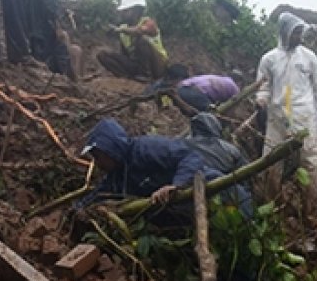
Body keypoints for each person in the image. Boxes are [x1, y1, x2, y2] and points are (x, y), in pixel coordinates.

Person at [256, 13, 317, 221]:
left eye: (300, 33)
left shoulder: (309, 57)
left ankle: (315, 215)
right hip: (278, 117)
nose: (299, 37)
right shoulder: (269, 58)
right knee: (271, 163)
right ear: (285, 33)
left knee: (311, 164)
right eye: (295, 33)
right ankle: (271, 211)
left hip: (304, 117)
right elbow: (263, 85)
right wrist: (262, 99)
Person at [80, 117, 219, 209]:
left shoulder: (147, 148)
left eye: (99, 157)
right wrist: (75, 210)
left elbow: (191, 157)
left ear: (110, 149)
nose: (97, 163)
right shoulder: (118, 175)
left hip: (217, 192)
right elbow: (99, 194)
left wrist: (176, 185)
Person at [185, 113, 253, 214]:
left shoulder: (183, 146)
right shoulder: (230, 149)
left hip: (192, 197)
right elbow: (246, 177)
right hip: (230, 194)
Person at [98, 0, 168, 80]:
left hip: (157, 66)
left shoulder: (148, 23)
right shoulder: (123, 29)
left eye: (126, 11)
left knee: (142, 40)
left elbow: (139, 31)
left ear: (137, 10)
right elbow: (125, 54)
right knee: (103, 54)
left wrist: (120, 30)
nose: (122, 14)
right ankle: (128, 77)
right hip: (136, 65)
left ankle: (146, 76)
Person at [176, 73, 241, 112]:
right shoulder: (235, 88)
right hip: (195, 94)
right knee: (211, 113)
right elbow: (231, 109)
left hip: (181, 88)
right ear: (239, 82)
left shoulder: (219, 78)